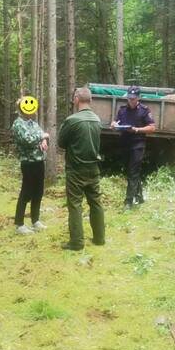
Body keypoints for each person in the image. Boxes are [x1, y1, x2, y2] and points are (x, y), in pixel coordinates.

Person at [57, 87, 105, 250]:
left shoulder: (72, 120)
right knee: (96, 202)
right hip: (94, 168)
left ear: (77, 99)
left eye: (73, 98)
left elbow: (61, 143)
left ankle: (77, 242)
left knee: (75, 204)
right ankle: (99, 238)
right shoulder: (97, 120)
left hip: (76, 169)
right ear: (90, 100)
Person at [110, 85, 156, 210]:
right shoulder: (122, 110)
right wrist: (114, 125)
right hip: (125, 143)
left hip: (138, 144)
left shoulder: (144, 110)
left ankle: (128, 202)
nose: (131, 100)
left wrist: (137, 130)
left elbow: (152, 127)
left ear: (138, 98)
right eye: (129, 98)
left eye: (133, 98)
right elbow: (116, 122)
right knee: (130, 171)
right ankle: (139, 196)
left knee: (133, 172)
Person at [11, 99, 49, 235]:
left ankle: (35, 220)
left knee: (38, 192)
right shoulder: (18, 124)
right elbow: (27, 140)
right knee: (26, 192)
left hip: (39, 161)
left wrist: (44, 140)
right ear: (21, 109)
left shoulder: (33, 123)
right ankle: (19, 224)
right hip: (28, 162)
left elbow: (40, 135)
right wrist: (42, 136)